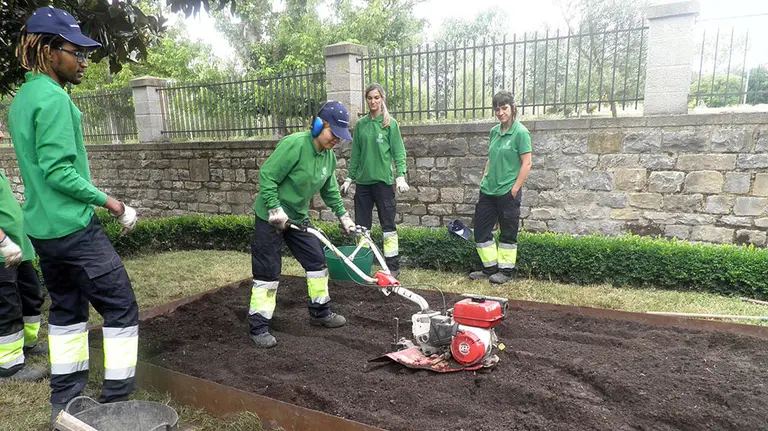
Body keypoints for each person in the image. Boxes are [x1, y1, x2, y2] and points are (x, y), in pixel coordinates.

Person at [8, 6, 140, 422]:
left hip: (44, 231)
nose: (83, 61)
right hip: (75, 227)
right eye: (74, 52)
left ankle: (64, 403)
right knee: (121, 306)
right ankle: (117, 404)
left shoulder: (22, 98)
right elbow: (59, 171)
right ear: (48, 51)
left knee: (66, 312)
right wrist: (112, 203)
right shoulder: (53, 98)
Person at [249, 100, 356, 348]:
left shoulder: (328, 157)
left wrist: (343, 216)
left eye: (340, 137)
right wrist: (275, 209)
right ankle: (259, 326)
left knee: (316, 261)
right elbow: (267, 175)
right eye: (334, 134)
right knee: (268, 272)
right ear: (320, 124)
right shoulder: (295, 144)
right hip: (270, 216)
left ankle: (320, 313)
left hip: (296, 218)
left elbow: (330, 190)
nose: (336, 141)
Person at [340, 83, 408, 277]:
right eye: (370, 98)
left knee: (388, 227)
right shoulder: (361, 125)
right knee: (362, 228)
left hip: (384, 184)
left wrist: (400, 175)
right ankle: (363, 264)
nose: (373, 101)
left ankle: (392, 267)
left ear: (382, 99)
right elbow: (356, 155)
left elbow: (398, 152)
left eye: (376, 97)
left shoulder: (390, 124)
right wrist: (349, 178)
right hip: (363, 184)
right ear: (366, 100)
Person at [469, 91, 532, 284]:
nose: (500, 112)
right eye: (497, 109)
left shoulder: (521, 133)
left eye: (504, 108)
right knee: (480, 231)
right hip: (488, 190)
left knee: (507, 232)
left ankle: (505, 271)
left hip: (507, 191)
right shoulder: (494, 132)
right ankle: (490, 268)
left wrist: (514, 189)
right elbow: (491, 157)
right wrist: (484, 177)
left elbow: (527, 163)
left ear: (513, 108)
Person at [0, 121, 47, 382]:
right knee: (7, 306)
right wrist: (3, 241)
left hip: (20, 250)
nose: (2, 134)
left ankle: (28, 344)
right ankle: (8, 366)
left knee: (31, 295)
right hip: (2, 253)